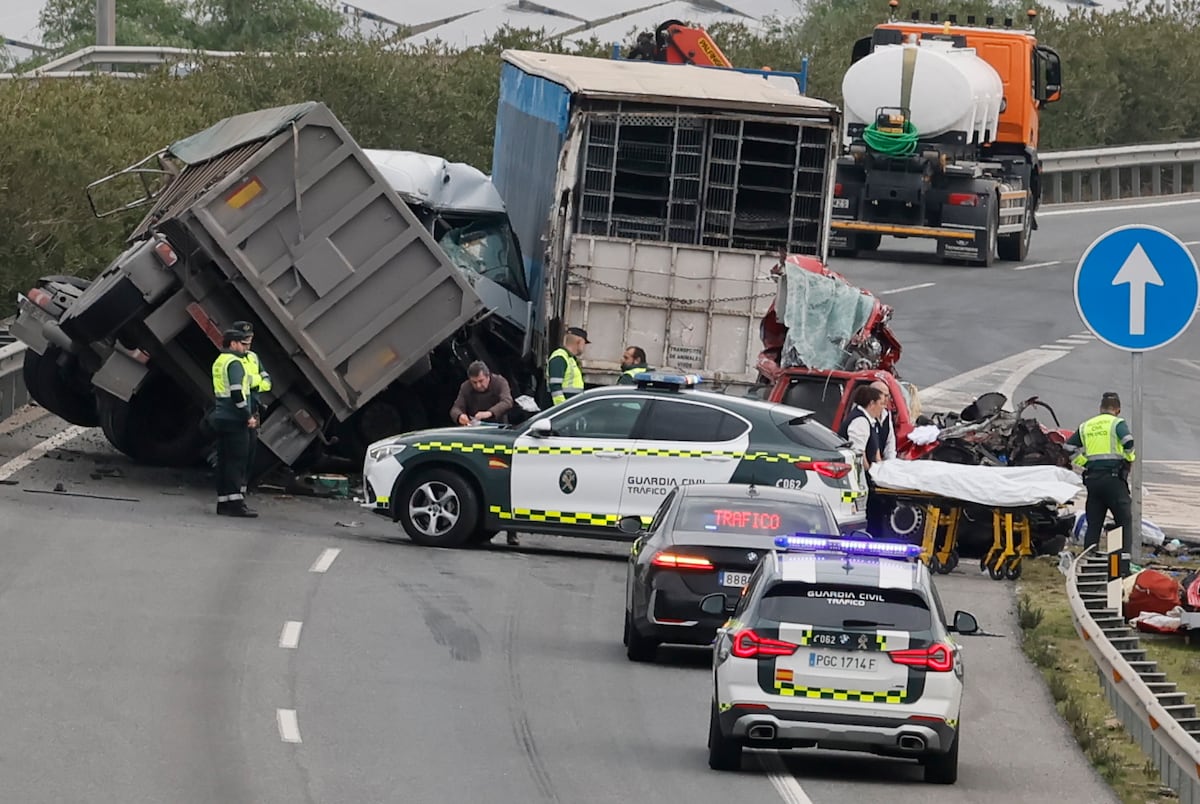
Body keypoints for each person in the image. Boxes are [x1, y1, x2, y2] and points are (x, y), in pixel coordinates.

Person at [1066, 391, 1136, 549]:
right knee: (1123, 521)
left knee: (1094, 523)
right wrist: (1128, 460)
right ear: (1118, 409)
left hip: (1093, 480)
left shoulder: (1086, 425)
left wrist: (1084, 462)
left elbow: (1068, 448)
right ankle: (1121, 563)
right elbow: (1129, 442)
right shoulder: (1117, 423)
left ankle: (1089, 558)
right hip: (1113, 480)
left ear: (1100, 408)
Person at [209, 329, 258, 518]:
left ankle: (223, 502)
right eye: (244, 344)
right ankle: (236, 503)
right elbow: (237, 392)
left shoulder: (220, 361)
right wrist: (247, 415)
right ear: (233, 343)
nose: (247, 348)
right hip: (235, 419)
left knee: (224, 460)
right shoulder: (235, 363)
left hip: (221, 416)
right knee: (237, 461)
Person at [839, 385, 886, 536]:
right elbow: (858, 453)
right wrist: (872, 471)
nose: (883, 408)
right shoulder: (860, 421)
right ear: (871, 403)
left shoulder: (868, 421)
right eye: (881, 403)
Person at [232, 320, 271, 495]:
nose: (248, 346)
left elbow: (267, 382)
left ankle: (242, 487)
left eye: (249, 342)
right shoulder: (231, 360)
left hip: (252, 411)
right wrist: (255, 382)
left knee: (249, 452)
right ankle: (233, 490)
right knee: (236, 453)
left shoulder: (253, 358)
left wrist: (252, 382)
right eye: (244, 342)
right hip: (237, 412)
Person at [450, 361, 514, 426]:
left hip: (498, 427)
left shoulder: (500, 382)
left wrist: (489, 413)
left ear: (488, 376)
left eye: (481, 381)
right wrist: (459, 416)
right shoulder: (466, 387)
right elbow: (456, 408)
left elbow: (507, 402)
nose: (478, 385)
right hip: (476, 428)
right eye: (474, 382)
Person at [546, 327, 588, 405]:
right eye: (584, 343)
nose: (584, 347)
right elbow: (555, 387)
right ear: (579, 342)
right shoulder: (560, 357)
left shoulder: (570, 358)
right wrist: (562, 407)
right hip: (562, 410)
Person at [870, 380, 898, 460]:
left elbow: (890, 443)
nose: (886, 399)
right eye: (884, 396)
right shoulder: (865, 417)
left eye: (888, 396)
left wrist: (890, 463)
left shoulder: (887, 415)